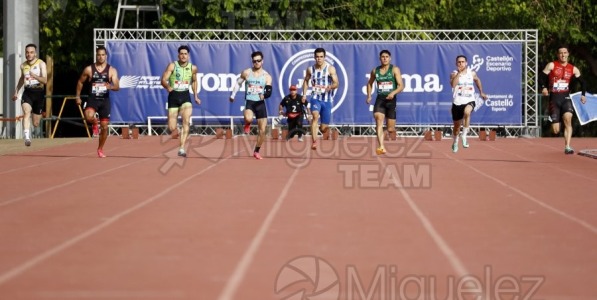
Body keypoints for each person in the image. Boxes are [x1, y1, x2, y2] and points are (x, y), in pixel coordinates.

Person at [540, 45, 587, 154]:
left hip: (566, 97)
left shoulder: (573, 68)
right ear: (558, 55)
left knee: (568, 119)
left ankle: (568, 146)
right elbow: (540, 77)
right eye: (561, 53)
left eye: (565, 53)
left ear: (568, 54)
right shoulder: (552, 65)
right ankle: (555, 119)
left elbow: (583, 82)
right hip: (554, 98)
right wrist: (544, 88)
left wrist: (583, 95)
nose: (563, 55)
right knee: (555, 130)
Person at [76, 46, 120, 158]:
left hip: (105, 101)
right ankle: (95, 123)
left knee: (105, 127)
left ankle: (100, 148)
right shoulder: (89, 69)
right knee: (88, 116)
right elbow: (80, 82)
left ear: (106, 56)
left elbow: (117, 86)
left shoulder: (111, 70)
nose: (101, 57)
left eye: (103, 55)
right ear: (96, 55)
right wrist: (78, 96)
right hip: (93, 99)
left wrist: (110, 86)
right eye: (99, 55)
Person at [229, 51, 273, 160]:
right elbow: (238, 83)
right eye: (254, 61)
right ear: (252, 62)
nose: (256, 63)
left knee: (263, 131)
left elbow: (269, 91)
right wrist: (233, 95)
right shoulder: (247, 73)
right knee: (248, 118)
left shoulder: (267, 76)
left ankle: (256, 151)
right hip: (250, 101)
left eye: (258, 61)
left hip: (260, 103)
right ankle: (247, 123)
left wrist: (264, 95)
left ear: (262, 61)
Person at [160, 45, 201, 157]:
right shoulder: (172, 66)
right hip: (173, 96)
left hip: (185, 96)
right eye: (181, 54)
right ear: (178, 55)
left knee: (186, 120)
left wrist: (196, 96)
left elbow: (194, 81)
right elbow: (163, 79)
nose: (183, 56)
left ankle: (182, 148)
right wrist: (168, 87)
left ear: (188, 55)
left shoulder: (193, 68)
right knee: (172, 127)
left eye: (185, 54)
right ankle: (177, 128)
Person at [365, 50, 405, 155]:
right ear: (380, 58)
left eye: (387, 57)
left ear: (390, 58)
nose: (385, 58)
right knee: (378, 120)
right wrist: (369, 96)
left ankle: (388, 132)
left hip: (391, 100)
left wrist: (393, 93)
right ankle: (381, 146)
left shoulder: (395, 69)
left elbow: (401, 86)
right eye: (383, 57)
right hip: (380, 99)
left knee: (391, 129)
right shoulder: (375, 71)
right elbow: (369, 83)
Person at [301, 48, 339, 150]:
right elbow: (306, 81)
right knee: (315, 116)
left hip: (327, 100)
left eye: (321, 57)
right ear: (314, 57)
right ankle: (314, 142)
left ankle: (323, 129)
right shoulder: (310, 69)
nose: (319, 59)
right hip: (315, 97)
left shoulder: (330, 69)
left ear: (324, 57)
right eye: (317, 57)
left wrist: (330, 87)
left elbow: (336, 83)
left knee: (323, 128)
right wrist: (304, 95)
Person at [449, 55, 488, 153]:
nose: (461, 64)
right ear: (456, 64)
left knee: (467, 112)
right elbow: (453, 85)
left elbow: (477, 80)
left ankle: (464, 135)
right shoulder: (454, 74)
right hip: (457, 102)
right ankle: (455, 141)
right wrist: (459, 73)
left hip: (469, 100)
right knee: (456, 127)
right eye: (459, 62)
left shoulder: (472, 73)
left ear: (466, 63)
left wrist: (481, 92)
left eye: (462, 62)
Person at [12, 44, 48, 146]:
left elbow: (45, 80)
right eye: (27, 52)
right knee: (26, 112)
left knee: (36, 123)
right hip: (28, 92)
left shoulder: (41, 64)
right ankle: (27, 138)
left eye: (31, 52)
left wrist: (35, 76)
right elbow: (21, 79)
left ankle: (34, 115)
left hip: (39, 92)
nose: (29, 54)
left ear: (35, 53)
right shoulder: (23, 65)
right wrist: (16, 91)